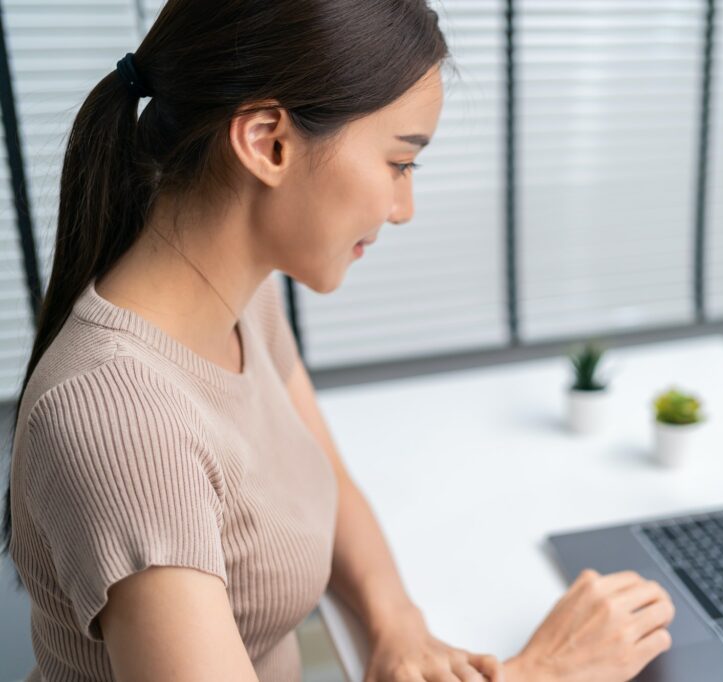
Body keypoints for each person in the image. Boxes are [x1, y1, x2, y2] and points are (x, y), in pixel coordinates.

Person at [0, 1, 675, 680]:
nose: (403, 208)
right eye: (398, 162)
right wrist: (548, 673)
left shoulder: (242, 300)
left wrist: (397, 627)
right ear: (269, 143)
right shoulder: (118, 419)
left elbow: (328, 484)